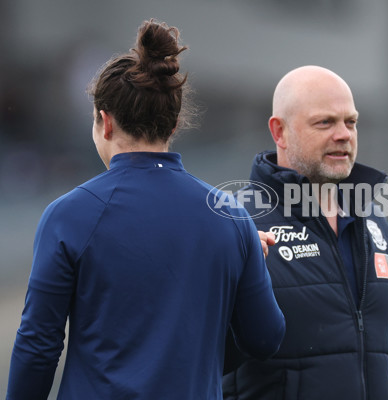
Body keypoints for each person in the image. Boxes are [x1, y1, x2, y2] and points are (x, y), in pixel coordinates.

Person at [6, 20, 285, 400]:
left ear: (104, 122)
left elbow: (39, 346)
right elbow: (265, 338)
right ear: (172, 126)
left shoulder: (68, 215)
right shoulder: (230, 217)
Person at [223, 65, 388, 399]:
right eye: (325, 122)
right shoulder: (236, 224)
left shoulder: (374, 223)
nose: (344, 134)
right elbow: (203, 357)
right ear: (280, 132)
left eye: (351, 122)